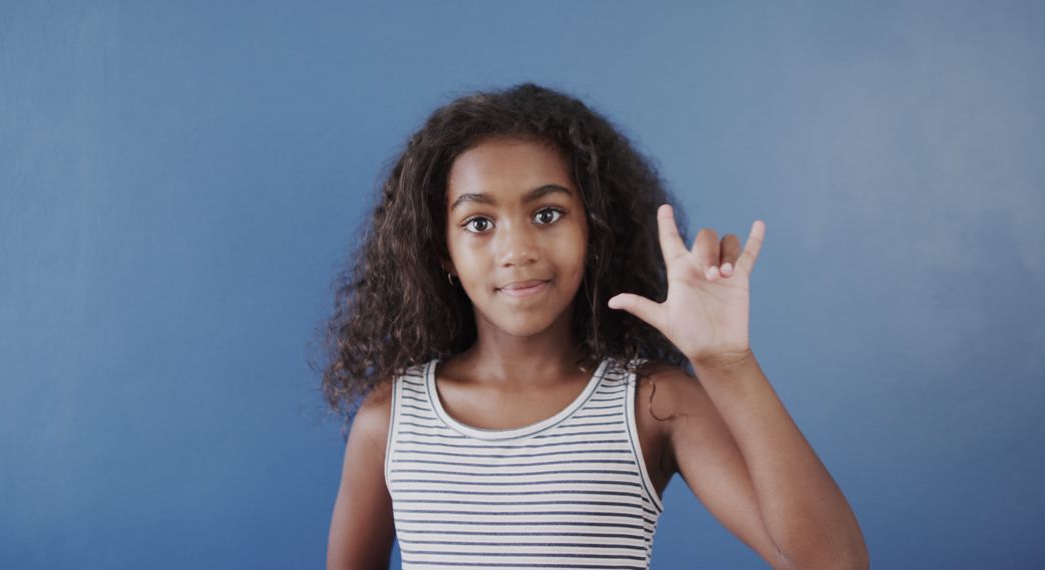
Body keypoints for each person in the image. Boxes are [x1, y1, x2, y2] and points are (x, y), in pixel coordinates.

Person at [318, 83, 868, 569]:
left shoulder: (653, 403)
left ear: (595, 228)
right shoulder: (391, 420)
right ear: (442, 251)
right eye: (479, 223)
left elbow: (832, 562)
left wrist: (727, 364)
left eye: (547, 213)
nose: (517, 250)